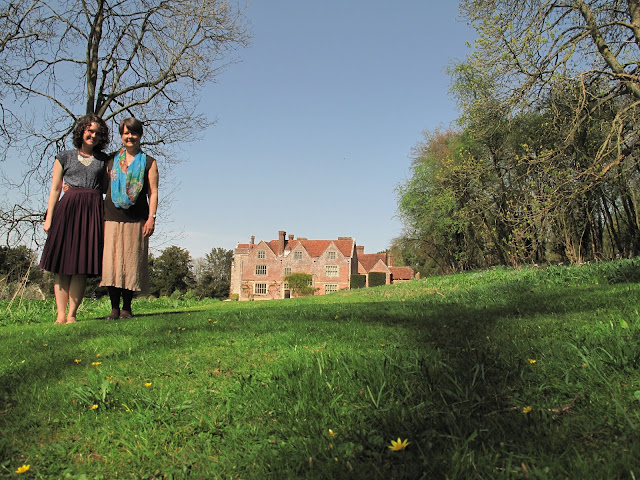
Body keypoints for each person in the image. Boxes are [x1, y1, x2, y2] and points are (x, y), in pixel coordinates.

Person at [39, 114, 110, 324]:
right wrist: (48, 217)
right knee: (62, 266)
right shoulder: (64, 157)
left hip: (92, 213)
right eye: (90, 131)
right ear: (82, 131)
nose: (93, 135)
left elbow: (106, 187)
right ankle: (60, 315)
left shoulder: (104, 160)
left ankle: (72, 315)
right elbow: (55, 189)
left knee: (81, 267)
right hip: (67, 211)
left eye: (98, 133)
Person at [100, 117, 159, 319]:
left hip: (137, 219)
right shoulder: (110, 160)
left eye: (133, 133)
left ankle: (127, 308)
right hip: (111, 217)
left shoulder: (149, 163)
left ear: (140, 136)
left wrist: (151, 217)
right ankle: (114, 308)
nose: (130, 137)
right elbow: (97, 185)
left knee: (131, 264)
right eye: (126, 133)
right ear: (121, 136)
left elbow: (154, 192)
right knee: (112, 264)